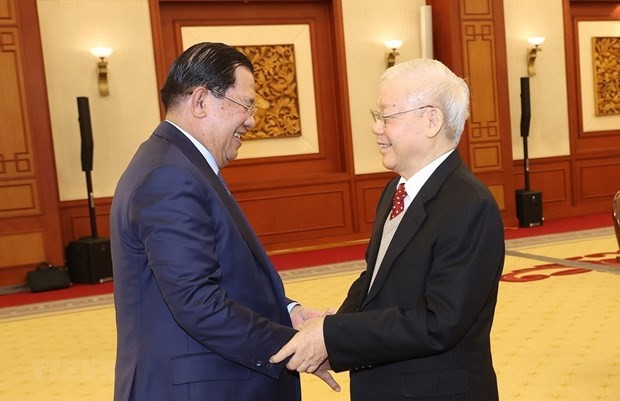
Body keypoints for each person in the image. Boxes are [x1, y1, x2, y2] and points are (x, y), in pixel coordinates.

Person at [110, 42, 337, 401]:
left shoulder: (176, 163)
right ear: (201, 102)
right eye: (245, 105)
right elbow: (198, 302)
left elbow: (222, 275)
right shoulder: (171, 175)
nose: (252, 119)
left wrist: (288, 311)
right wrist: (294, 344)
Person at [271, 58, 505, 400]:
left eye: (386, 117)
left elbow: (439, 322)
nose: (377, 128)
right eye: (376, 117)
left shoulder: (469, 204)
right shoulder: (397, 190)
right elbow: (375, 282)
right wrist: (329, 331)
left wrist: (333, 336)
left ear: (431, 121)